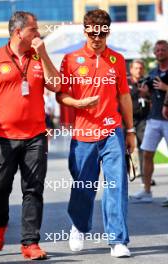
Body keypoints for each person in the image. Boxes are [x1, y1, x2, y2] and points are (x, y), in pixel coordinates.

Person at [57, 9, 135, 258]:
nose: (97, 38)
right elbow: (60, 93)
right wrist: (77, 104)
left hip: (113, 131)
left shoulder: (118, 60)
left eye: (102, 33)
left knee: (116, 186)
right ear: (86, 31)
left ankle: (118, 240)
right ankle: (79, 227)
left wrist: (130, 130)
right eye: (92, 33)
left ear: (107, 32)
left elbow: (124, 96)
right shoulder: (70, 59)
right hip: (83, 134)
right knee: (84, 186)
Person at [0, 11, 60, 260]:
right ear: (18, 31)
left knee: (33, 189)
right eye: (33, 29)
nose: (38, 33)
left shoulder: (38, 57)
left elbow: (57, 84)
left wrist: (43, 54)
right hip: (1, 137)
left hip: (35, 136)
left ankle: (30, 243)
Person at [131, 40, 168, 203]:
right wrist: (145, 93)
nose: (159, 52)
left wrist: (166, 88)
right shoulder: (152, 72)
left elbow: (164, 90)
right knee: (146, 154)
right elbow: (151, 96)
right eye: (157, 50)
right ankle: (146, 191)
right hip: (153, 119)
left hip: (167, 119)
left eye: (163, 50)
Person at [127, 59, 150, 179]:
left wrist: (147, 94)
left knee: (144, 146)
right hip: (127, 119)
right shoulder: (125, 82)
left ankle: (145, 175)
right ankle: (128, 170)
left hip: (143, 119)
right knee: (126, 146)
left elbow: (155, 99)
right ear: (131, 70)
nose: (138, 70)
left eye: (141, 68)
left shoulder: (147, 82)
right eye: (136, 68)